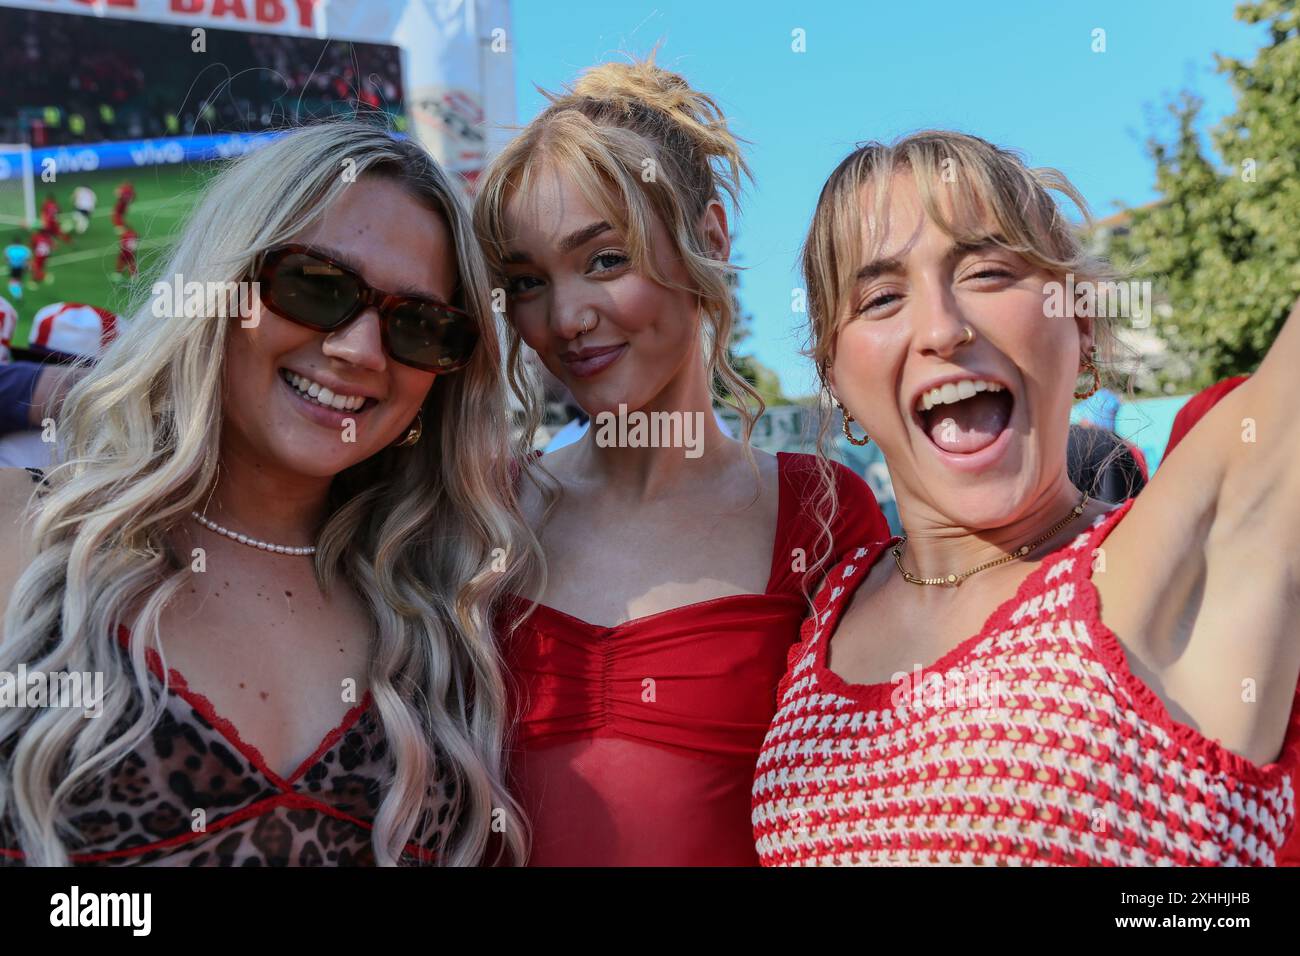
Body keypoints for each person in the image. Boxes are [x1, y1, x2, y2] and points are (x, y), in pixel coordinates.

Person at [0, 118, 540, 867]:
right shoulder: (24, 539)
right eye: (316, 286)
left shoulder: (452, 613)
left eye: (419, 325)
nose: (358, 349)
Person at [753, 130, 1300, 866]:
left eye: (985, 273)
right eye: (881, 297)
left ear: (1080, 324)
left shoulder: (1172, 567)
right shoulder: (822, 602)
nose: (943, 329)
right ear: (836, 378)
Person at [475, 54, 889, 866]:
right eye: (527, 281)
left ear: (708, 241)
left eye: (604, 260)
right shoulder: (482, 508)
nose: (567, 318)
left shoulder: (823, 516)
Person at [3, 235, 30, 300]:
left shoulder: (9, 249)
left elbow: (6, 259)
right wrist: (27, 267)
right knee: (19, 279)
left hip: (13, 267)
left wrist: (9, 263)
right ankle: (18, 293)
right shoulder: (24, 249)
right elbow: (27, 260)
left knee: (13, 280)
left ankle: (15, 293)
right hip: (21, 267)